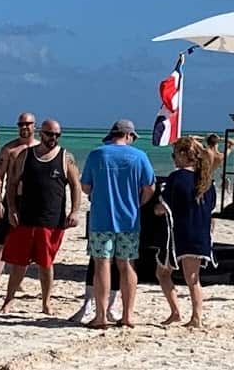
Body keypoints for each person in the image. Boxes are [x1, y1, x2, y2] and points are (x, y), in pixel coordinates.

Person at [1, 118, 81, 315]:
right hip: (25, 217)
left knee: (46, 263)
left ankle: (46, 303)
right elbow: (11, 183)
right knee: (19, 263)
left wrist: (75, 211)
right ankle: (8, 301)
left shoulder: (65, 157)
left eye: (56, 135)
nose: (53, 138)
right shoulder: (25, 156)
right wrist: (11, 208)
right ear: (41, 133)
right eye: (49, 134)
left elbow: (75, 186)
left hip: (51, 220)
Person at [80, 119, 155, 329]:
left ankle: (101, 315)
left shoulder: (98, 154)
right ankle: (127, 315)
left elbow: (85, 186)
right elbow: (149, 187)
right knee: (127, 264)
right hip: (129, 219)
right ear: (129, 136)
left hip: (101, 218)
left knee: (102, 264)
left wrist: (99, 191)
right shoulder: (139, 156)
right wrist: (137, 203)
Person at [155, 135, 215, 329]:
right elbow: (210, 208)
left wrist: (155, 209)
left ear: (183, 155)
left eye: (174, 155)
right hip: (201, 234)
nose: (174, 159)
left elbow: (163, 206)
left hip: (180, 234)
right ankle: (189, 315)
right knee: (192, 277)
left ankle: (181, 313)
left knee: (167, 274)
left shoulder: (177, 177)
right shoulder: (207, 180)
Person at [0, 112, 39, 292]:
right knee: (0, 243)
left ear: (35, 126)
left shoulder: (40, 149)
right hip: (11, 198)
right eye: (21, 124)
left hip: (31, 202)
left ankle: (17, 282)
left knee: (25, 245)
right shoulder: (9, 149)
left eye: (28, 124)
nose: (24, 127)